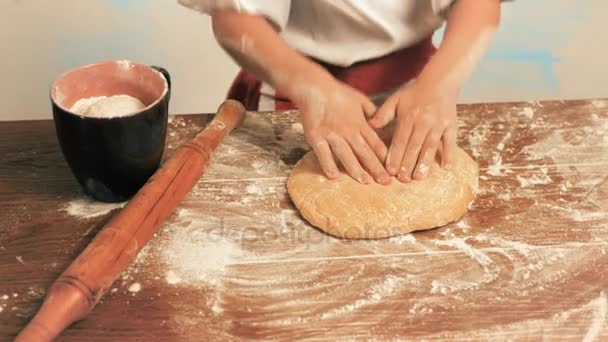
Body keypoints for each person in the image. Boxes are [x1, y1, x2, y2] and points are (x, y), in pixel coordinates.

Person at [179, 0, 502, 185]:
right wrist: (312, 89)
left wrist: (440, 84)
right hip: (290, 85)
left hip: (416, 87)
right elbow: (235, 16)